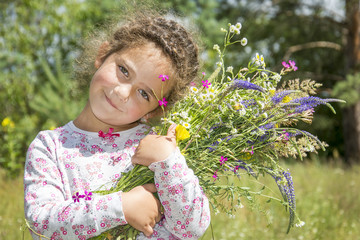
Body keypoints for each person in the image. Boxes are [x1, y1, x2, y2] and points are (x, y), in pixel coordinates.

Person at [24, 12, 210, 240]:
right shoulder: (50, 147)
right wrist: (120, 207)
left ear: (154, 111)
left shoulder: (156, 148)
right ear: (103, 55)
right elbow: (41, 223)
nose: (122, 93)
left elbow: (192, 228)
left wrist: (168, 161)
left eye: (144, 93)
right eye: (123, 70)